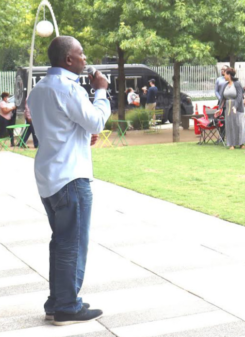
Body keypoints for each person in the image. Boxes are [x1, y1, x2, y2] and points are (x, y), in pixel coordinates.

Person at [27, 36, 108, 326]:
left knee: (61, 242)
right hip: (71, 177)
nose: (85, 59)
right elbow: (97, 121)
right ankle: (67, 307)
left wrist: (83, 135)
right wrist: (101, 92)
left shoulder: (38, 90)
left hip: (49, 175)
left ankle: (58, 301)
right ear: (68, 60)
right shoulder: (69, 88)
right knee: (72, 243)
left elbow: (56, 128)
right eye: (81, 54)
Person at [218, 68, 245, 150]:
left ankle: (241, 143)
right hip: (228, 106)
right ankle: (231, 144)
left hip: (237, 107)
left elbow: (240, 96)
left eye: (225, 74)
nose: (224, 75)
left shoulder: (237, 83)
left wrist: (235, 106)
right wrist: (219, 108)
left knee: (239, 125)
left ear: (229, 75)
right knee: (230, 125)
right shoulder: (225, 85)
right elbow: (222, 98)